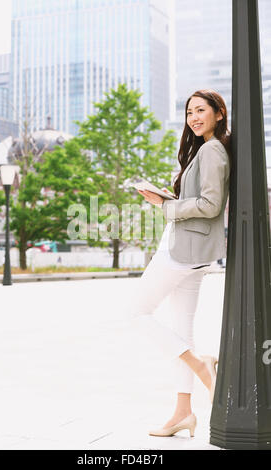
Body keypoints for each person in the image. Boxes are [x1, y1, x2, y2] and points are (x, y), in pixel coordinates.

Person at [131, 89, 231, 438]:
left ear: (220, 113)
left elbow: (210, 204)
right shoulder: (206, 150)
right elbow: (201, 201)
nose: (194, 117)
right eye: (190, 112)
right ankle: (183, 413)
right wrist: (167, 198)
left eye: (201, 110)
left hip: (183, 251)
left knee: (137, 312)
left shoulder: (212, 149)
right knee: (182, 329)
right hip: (194, 253)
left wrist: (167, 208)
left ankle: (201, 366)